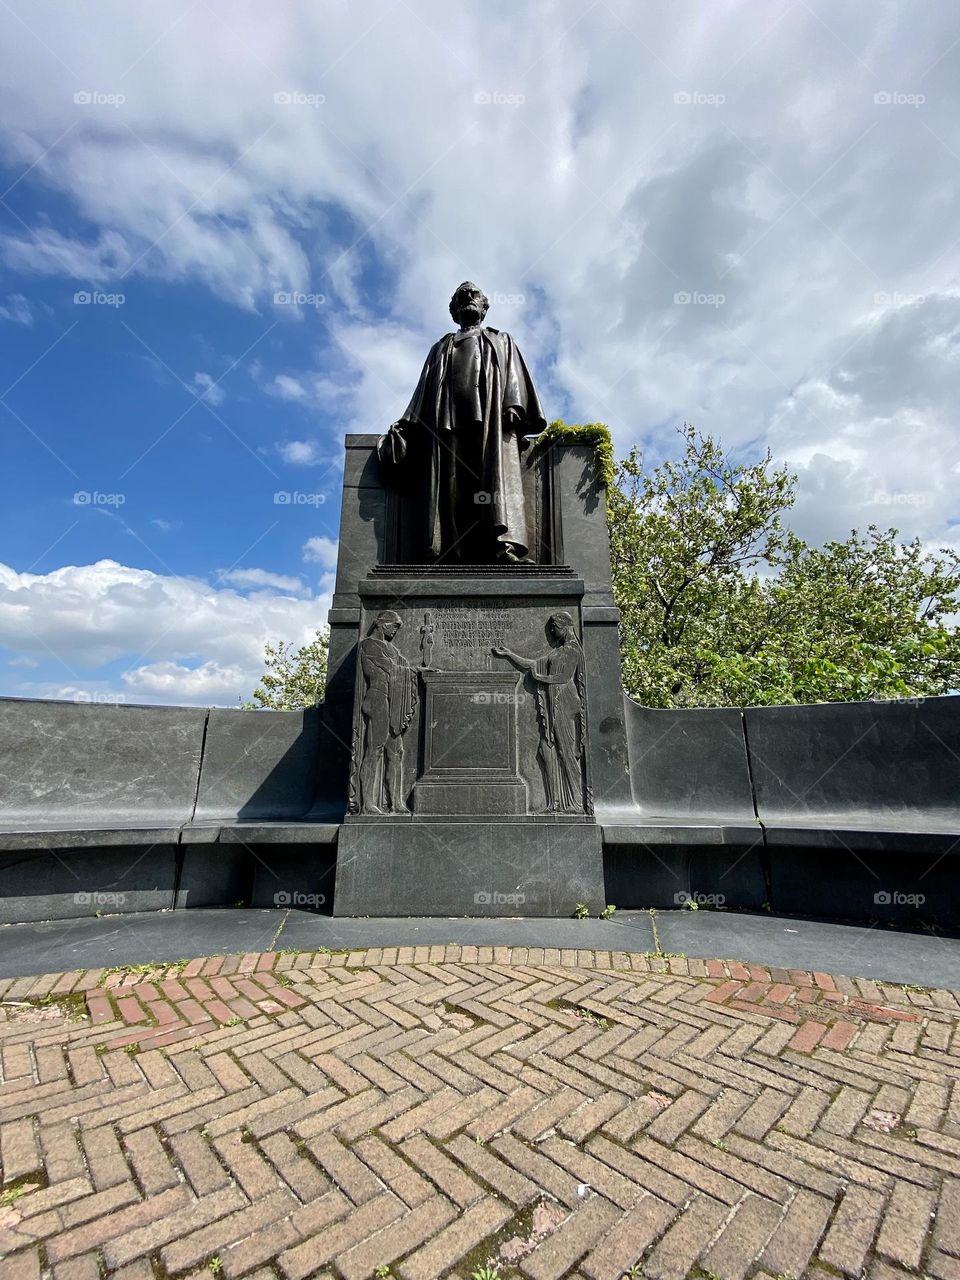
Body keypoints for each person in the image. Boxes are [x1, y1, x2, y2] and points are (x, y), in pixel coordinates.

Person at [379, 281, 546, 563]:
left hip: (492, 424)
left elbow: (514, 376)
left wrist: (513, 404)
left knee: (492, 485)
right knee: (453, 488)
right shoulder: (441, 347)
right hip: (448, 425)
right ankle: (452, 550)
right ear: (454, 310)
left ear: (484, 307)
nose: (468, 296)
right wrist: (406, 425)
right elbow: (423, 390)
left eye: (474, 294)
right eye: (461, 295)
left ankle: (501, 547)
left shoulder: (501, 340)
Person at [493, 611, 587, 813]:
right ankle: (555, 803)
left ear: (565, 626)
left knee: (566, 752)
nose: (551, 631)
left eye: (554, 627)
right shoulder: (557, 651)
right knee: (546, 751)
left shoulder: (572, 650)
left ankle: (577, 803)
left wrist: (539, 678)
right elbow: (534, 664)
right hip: (554, 699)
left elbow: (563, 677)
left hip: (564, 701)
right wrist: (510, 654)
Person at [352, 610, 418, 815]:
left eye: (398, 628)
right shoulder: (369, 644)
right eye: (394, 626)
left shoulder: (393, 649)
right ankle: (368, 803)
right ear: (382, 624)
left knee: (396, 753)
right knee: (375, 749)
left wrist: (417, 671)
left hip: (394, 702)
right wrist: (414, 671)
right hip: (378, 699)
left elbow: (403, 667)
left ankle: (396, 802)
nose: (396, 631)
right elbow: (389, 667)